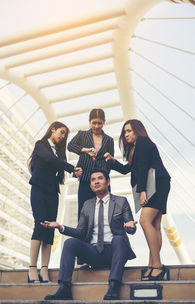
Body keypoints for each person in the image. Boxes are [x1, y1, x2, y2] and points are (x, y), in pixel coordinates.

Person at [41, 169, 137, 301]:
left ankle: (114, 286)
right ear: (91, 186)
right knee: (70, 243)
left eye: (100, 178)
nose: (96, 181)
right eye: (93, 180)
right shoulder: (87, 205)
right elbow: (80, 232)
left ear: (108, 182)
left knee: (119, 239)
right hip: (94, 253)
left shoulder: (121, 201)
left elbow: (131, 227)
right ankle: (64, 288)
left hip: (115, 251)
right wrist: (60, 227)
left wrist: (130, 226)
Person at [104, 119, 171, 281]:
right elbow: (128, 169)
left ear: (138, 131)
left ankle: (157, 266)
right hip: (158, 184)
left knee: (144, 221)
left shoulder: (143, 142)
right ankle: (152, 265)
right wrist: (113, 162)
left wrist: (142, 191)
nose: (126, 134)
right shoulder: (134, 148)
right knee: (154, 225)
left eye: (130, 131)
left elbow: (143, 168)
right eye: (125, 132)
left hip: (156, 185)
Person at [27, 121, 82, 283]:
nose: (63, 136)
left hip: (52, 194)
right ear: (53, 129)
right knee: (40, 225)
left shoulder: (59, 153)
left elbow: (56, 164)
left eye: (65, 134)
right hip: (38, 190)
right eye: (61, 132)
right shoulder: (41, 145)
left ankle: (44, 269)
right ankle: (32, 268)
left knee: (50, 230)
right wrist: (72, 168)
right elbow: (49, 160)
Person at [68, 108, 114, 219]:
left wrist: (104, 175)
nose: (97, 126)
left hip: (102, 181)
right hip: (86, 180)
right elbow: (70, 146)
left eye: (99, 123)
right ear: (89, 121)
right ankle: (83, 236)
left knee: (104, 213)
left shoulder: (109, 140)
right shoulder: (82, 135)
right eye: (94, 123)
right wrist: (84, 150)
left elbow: (110, 162)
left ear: (104, 122)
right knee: (84, 212)